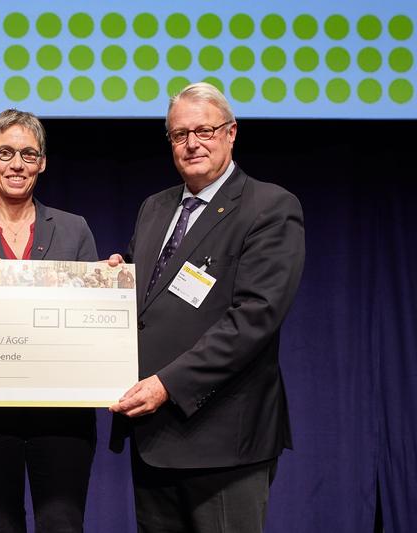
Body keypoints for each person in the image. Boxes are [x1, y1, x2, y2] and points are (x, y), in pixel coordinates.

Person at [109, 82, 305, 533]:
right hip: (153, 435)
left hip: (223, 439)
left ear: (231, 132)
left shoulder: (269, 207)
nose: (192, 143)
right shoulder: (154, 208)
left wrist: (167, 384)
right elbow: (150, 306)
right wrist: (114, 282)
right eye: (179, 134)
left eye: (204, 130)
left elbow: (254, 319)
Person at [0, 109, 98, 533]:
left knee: (62, 524)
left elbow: (90, 327)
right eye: (6, 152)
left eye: (28, 154)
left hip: (62, 414)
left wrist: (105, 284)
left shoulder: (73, 229)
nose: (17, 164)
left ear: (42, 162)